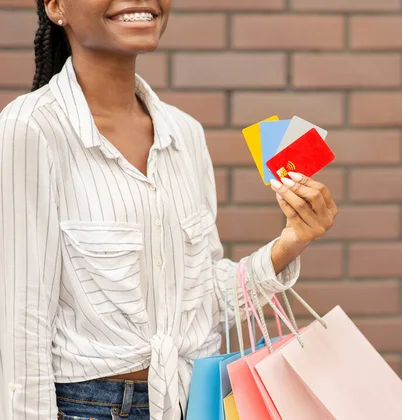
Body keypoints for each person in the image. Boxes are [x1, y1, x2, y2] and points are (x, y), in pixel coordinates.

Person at [0, 0, 338, 418]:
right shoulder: (31, 128)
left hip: (191, 401)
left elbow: (206, 301)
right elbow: (21, 322)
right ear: (56, 7)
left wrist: (291, 242)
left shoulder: (184, 133)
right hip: (86, 407)